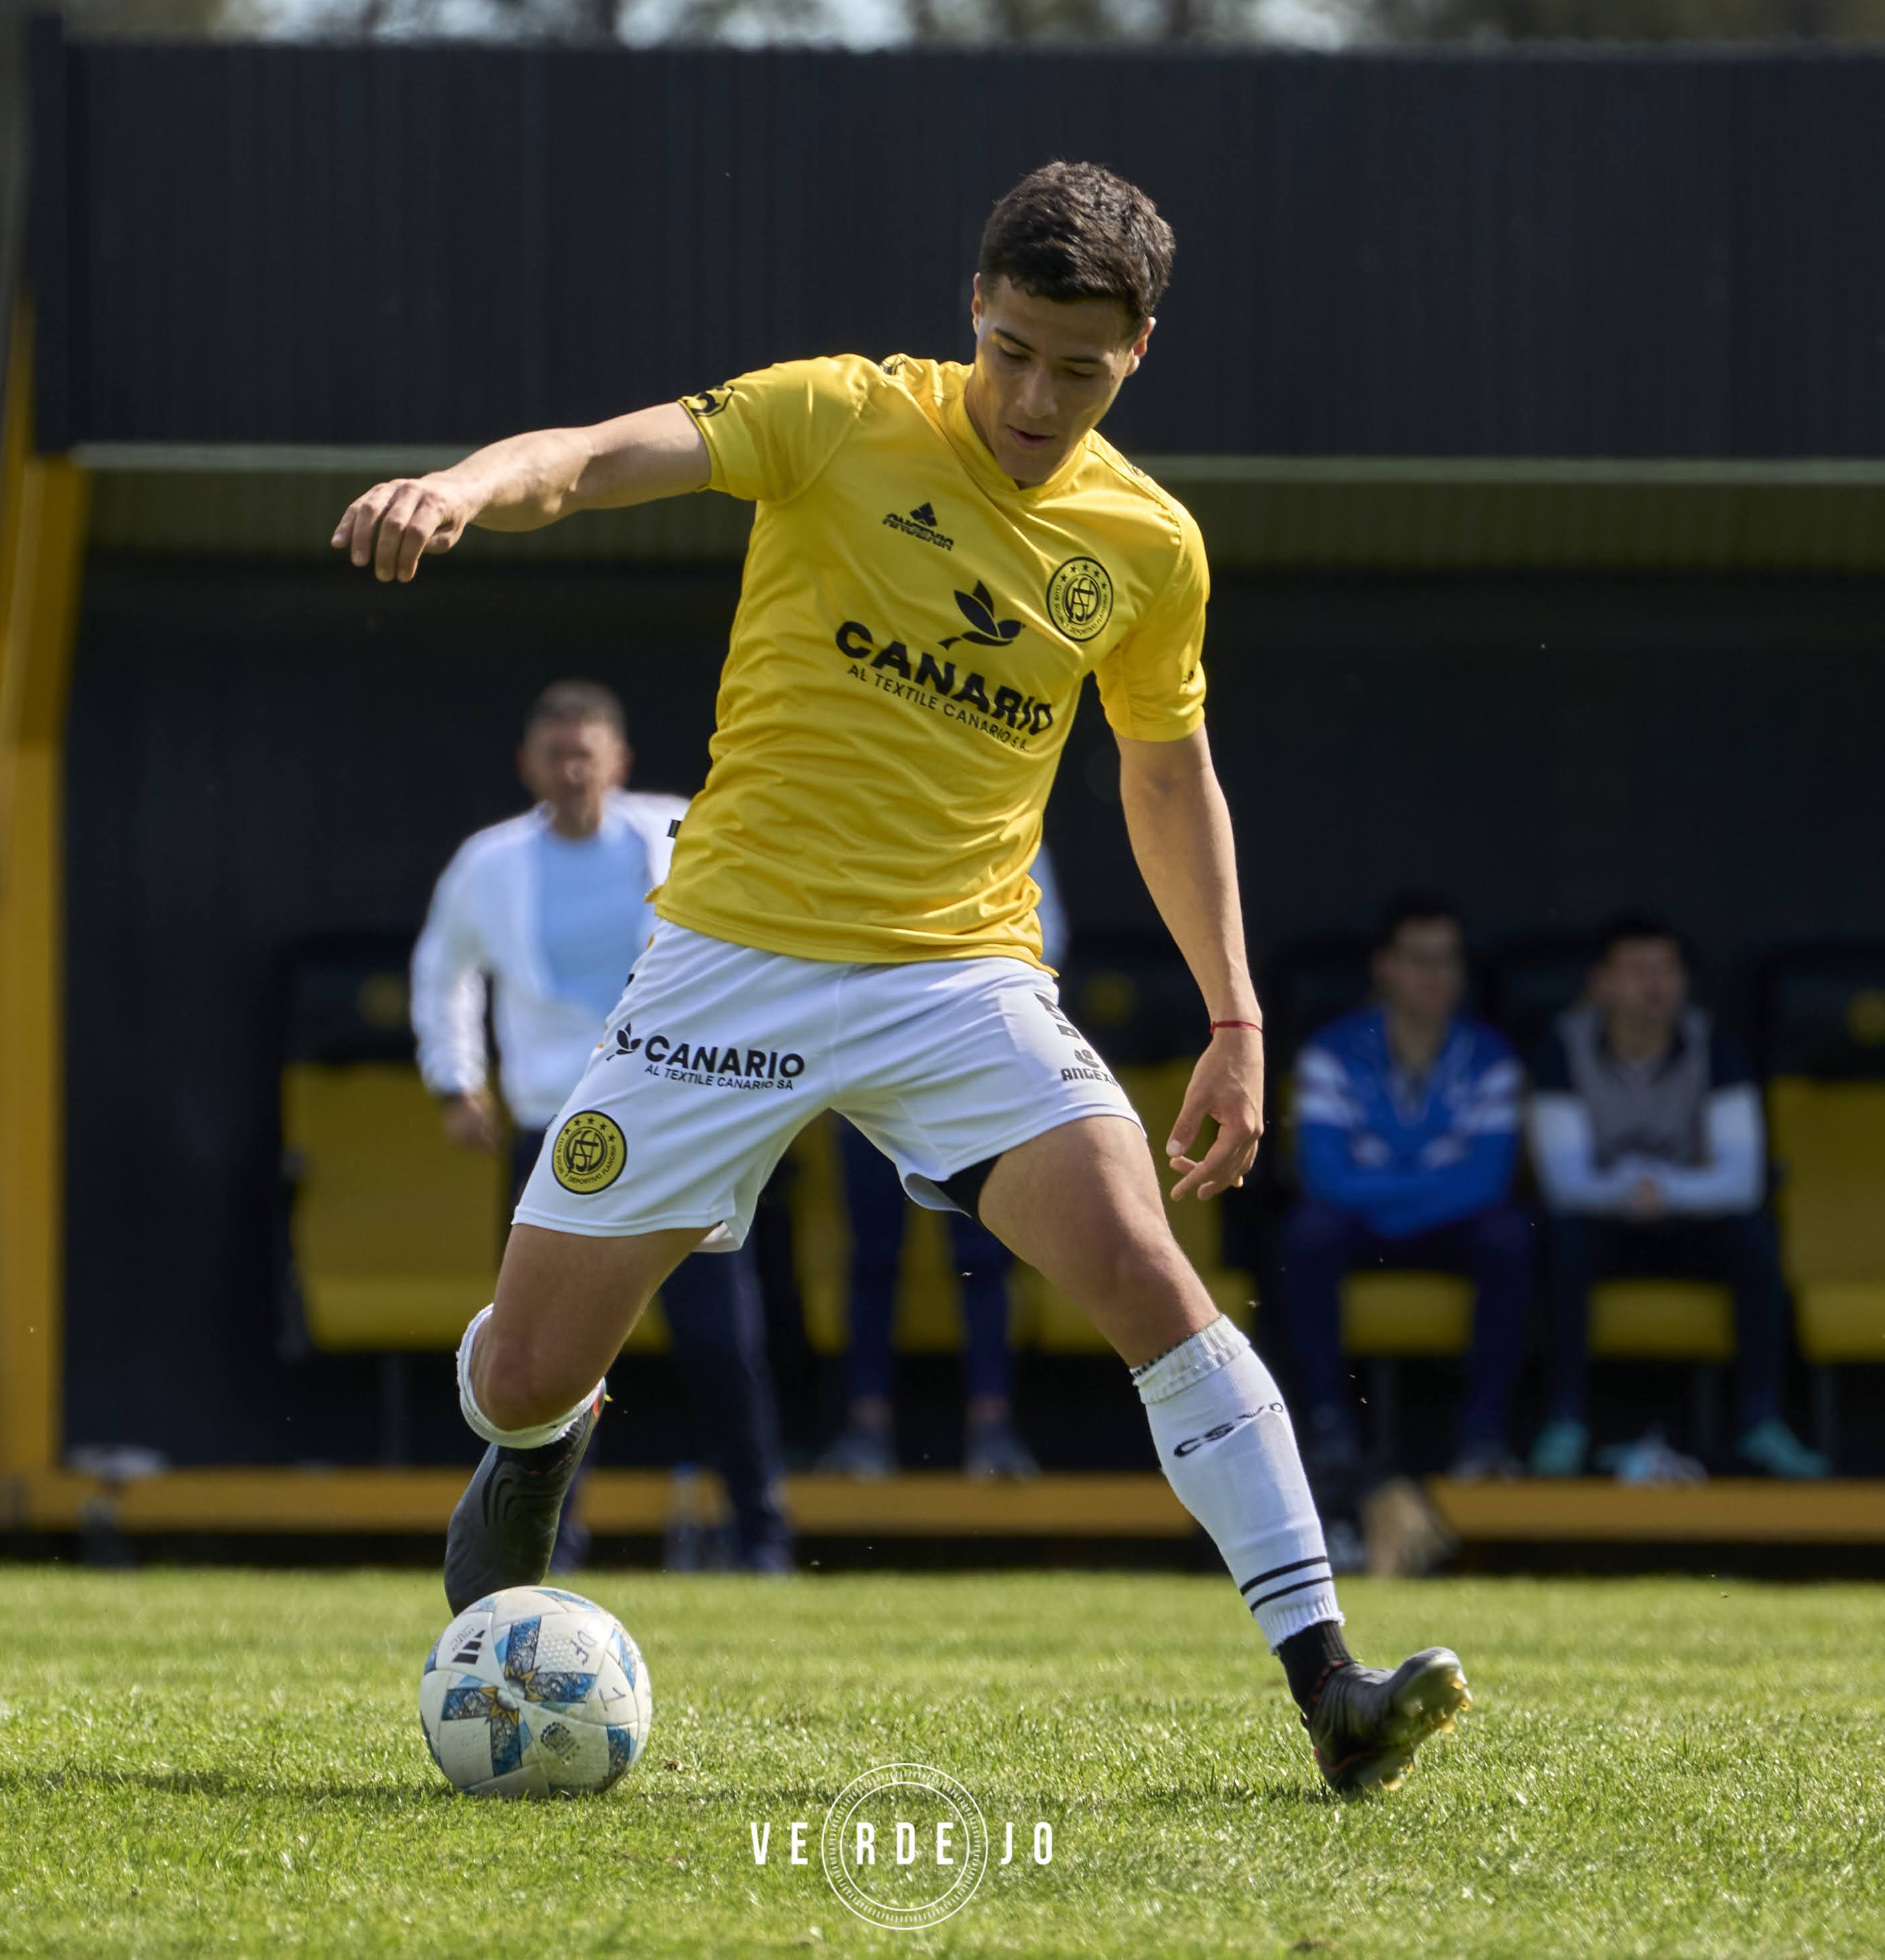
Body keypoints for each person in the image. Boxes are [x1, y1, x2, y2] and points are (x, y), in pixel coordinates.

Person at [337, 161, 1470, 1793]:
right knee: (521, 1373)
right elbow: (588, 460)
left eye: (1075, 370)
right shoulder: (832, 414)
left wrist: (1232, 1015)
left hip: (957, 981)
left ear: (1134, 354)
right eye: (1010, 350)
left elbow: (1164, 780)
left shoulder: (1147, 547)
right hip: (724, 966)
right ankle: (538, 1443)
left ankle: (1332, 1696)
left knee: (1151, 1278)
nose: (1032, 396)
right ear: (972, 313)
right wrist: (457, 484)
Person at [409, 681, 794, 1571]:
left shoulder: (680, 832)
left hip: (683, 1121)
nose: (572, 769)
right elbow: (443, 971)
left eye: (587, 752)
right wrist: (454, 1079)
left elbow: (762, 931)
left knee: (719, 1341)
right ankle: (547, 1541)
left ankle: (763, 1532)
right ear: (529, 765)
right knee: (549, 1355)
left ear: (617, 760)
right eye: (556, 753)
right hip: (558, 1130)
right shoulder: (488, 862)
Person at [1525, 913, 1828, 1480]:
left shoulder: (1715, 1044)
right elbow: (1563, 1182)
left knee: (1754, 1237)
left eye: (1667, 969)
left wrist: (1659, 1188)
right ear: (1602, 982)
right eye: (1638, 970)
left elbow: (1741, 1179)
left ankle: (1761, 1422)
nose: (1655, 985)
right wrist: (1630, 1191)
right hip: (1602, 1227)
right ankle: (1562, 1423)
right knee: (1558, 1239)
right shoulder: (1560, 1049)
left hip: (1689, 1223)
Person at [810, 842, 1067, 1484]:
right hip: (870, 1076)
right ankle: (865, 1433)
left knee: (983, 1255)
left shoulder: (1004, 818)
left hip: (971, 1076)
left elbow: (1045, 940)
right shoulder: (856, 818)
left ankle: (994, 1433)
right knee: (872, 1255)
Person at [1275, 894, 1539, 1482]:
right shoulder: (1330, 1054)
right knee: (1306, 1232)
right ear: (1383, 967)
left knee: (1508, 1238)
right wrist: (1423, 1190)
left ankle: (1484, 1435)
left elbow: (1489, 1180)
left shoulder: (1492, 1057)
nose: (1434, 976)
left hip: (1439, 1226)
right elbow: (1322, 1175)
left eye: (1446, 961)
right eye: (1418, 959)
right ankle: (1326, 1425)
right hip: (1361, 1225)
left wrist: (1389, 1195)